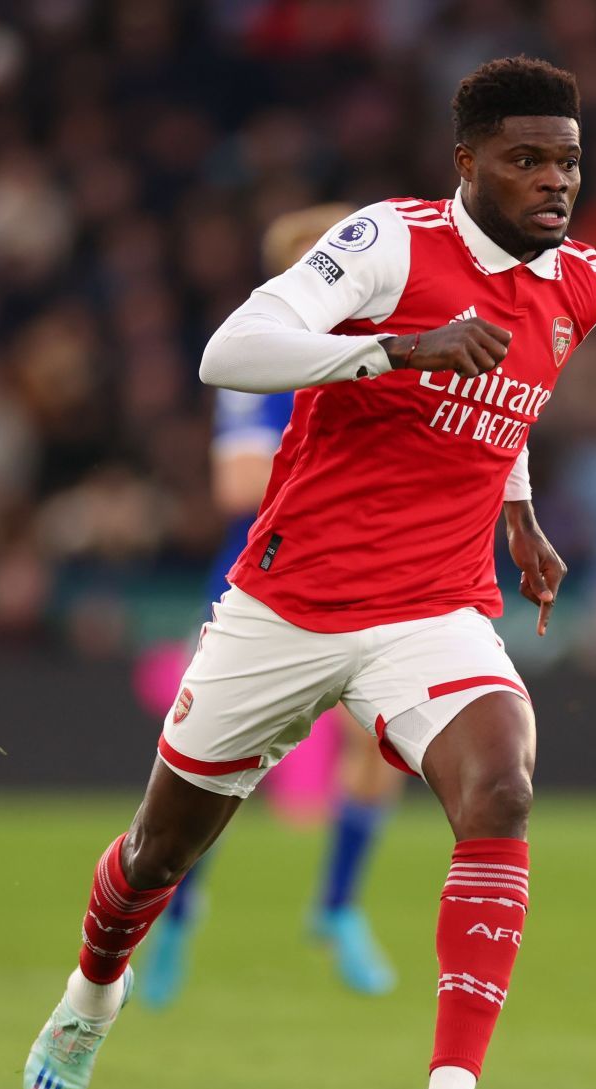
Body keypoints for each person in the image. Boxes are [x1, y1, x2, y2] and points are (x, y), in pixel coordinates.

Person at [17, 57, 596, 1089]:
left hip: (435, 607)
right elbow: (226, 353)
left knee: (502, 787)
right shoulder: (389, 242)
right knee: (157, 855)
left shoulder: (581, 283)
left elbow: (514, 401)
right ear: (466, 165)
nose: (553, 183)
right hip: (287, 604)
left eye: (568, 162)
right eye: (526, 160)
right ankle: (93, 992)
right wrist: (399, 346)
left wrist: (521, 512)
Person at [137, 204, 404, 1007]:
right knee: (215, 770)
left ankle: (338, 906)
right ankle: (180, 910)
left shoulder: (381, 355)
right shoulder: (268, 363)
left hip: (372, 580)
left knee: (380, 747)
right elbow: (235, 484)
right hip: (265, 582)